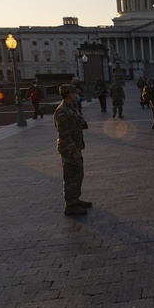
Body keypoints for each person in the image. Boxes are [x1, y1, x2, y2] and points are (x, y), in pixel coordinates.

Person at [54, 84, 91, 216]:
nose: (77, 96)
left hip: (76, 147)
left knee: (78, 174)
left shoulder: (71, 108)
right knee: (70, 176)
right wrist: (73, 151)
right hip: (69, 150)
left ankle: (75, 199)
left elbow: (76, 127)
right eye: (75, 93)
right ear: (69, 94)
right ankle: (70, 206)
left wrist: (82, 123)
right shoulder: (62, 111)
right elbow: (63, 134)